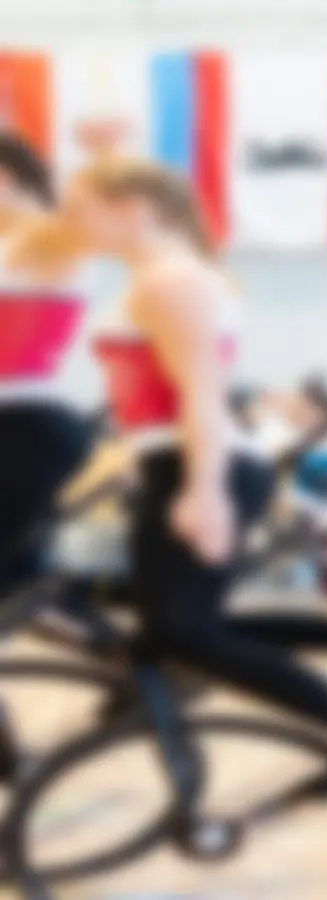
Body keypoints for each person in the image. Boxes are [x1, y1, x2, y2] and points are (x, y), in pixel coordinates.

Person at [68, 159, 327, 753]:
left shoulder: (172, 281)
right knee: (164, 624)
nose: (75, 223)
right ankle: (126, 717)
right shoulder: (161, 278)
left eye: (84, 210)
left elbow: (201, 390)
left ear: (134, 211)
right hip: (175, 462)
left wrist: (204, 492)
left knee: (185, 629)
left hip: (201, 464)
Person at [0, 133, 94, 598]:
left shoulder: (43, 237)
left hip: (28, 427)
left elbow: (84, 218)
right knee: (22, 580)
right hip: (20, 425)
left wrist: (100, 154)